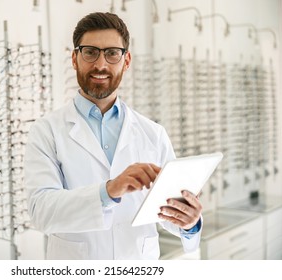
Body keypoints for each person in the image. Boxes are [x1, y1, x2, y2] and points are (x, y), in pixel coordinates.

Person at [24, 12, 202, 260]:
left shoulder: (153, 133)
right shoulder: (46, 131)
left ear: (126, 60)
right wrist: (108, 192)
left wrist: (189, 222)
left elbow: (168, 211)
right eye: (90, 52)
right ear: (74, 58)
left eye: (112, 53)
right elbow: (41, 212)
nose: (100, 64)